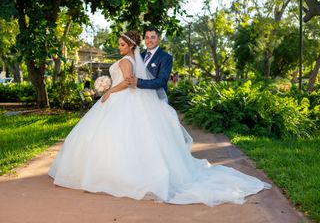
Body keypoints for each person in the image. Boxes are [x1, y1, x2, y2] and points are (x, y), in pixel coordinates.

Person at [48, 31, 271, 207]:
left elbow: (127, 82)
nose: (119, 46)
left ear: (131, 46)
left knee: (111, 137)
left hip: (121, 98)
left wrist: (107, 91)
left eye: (122, 44)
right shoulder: (135, 59)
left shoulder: (126, 61)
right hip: (128, 99)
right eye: (119, 43)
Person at [126, 26, 172, 101]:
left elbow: (161, 81)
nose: (149, 40)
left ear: (159, 39)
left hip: (156, 99)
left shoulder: (166, 57)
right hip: (137, 97)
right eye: (147, 37)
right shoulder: (139, 56)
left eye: (153, 37)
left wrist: (138, 82)